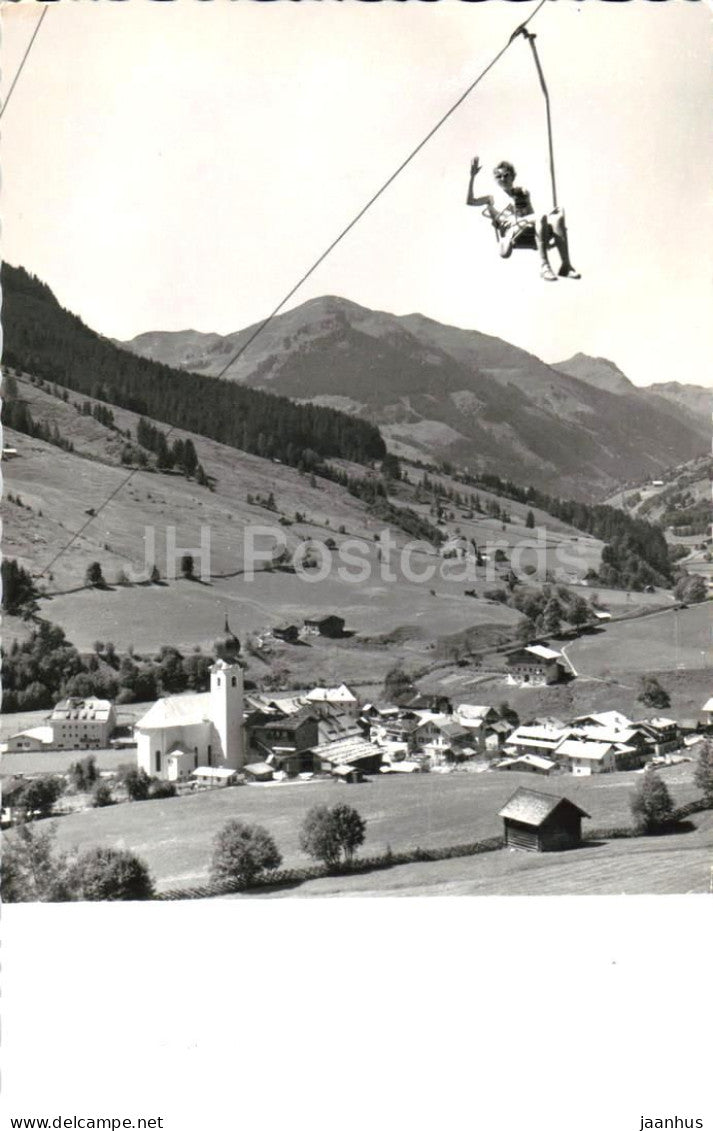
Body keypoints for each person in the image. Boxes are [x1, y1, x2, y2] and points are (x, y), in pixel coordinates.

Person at [466, 157, 580, 282]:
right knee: (543, 216)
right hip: (511, 230)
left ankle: (566, 265)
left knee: (558, 215)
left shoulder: (521, 193)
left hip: (525, 224)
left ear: (512, 177)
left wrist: (526, 208)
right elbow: (470, 201)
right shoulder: (492, 197)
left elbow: (532, 215)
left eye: (506, 175)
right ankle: (544, 267)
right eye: (499, 176)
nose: (503, 178)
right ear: (495, 180)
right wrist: (472, 177)